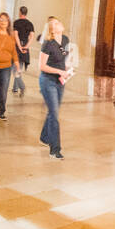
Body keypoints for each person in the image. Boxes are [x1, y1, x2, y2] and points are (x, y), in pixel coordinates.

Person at [38, 17, 72, 158]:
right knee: (54, 115)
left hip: (60, 81)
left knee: (53, 111)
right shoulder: (47, 44)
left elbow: (64, 58)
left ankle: (44, 137)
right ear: (51, 29)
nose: (59, 23)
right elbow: (42, 66)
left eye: (59, 21)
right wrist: (59, 71)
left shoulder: (65, 39)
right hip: (47, 81)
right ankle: (55, 149)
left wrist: (67, 69)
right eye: (56, 23)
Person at [11, 6, 35, 97]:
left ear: (20, 12)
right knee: (19, 67)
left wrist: (19, 46)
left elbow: (16, 35)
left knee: (15, 69)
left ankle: (22, 87)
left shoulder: (16, 22)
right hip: (25, 46)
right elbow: (32, 37)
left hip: (17, 46)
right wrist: (26, 47)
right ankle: (15, 88)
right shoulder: (30, 24)